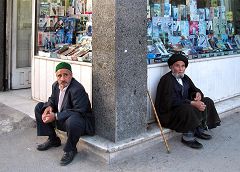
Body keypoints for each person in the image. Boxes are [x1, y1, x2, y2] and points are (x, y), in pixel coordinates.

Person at [155, 53, 221, 149]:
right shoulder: (167, 80)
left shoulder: (184, 78)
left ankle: (198, 129)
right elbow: (169, 102)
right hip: (169, 114)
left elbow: (194, 89)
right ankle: (187, 137)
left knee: (207, 101)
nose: (181, 69)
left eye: (183, 66)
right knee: (188, 108)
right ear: (171, 67)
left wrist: (197, 95)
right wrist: (191, 103)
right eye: (177, 66)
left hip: (183, 106)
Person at [35, 62, 94, 166]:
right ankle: (53, 139)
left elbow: (79, 111)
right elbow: (52, 99)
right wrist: (48, 107)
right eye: (59, 75)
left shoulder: (77, 89)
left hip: (81, 123)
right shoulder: (55, 85)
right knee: (40, 107)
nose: (62, 79)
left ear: (71, 75)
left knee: (73, 120)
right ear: (56, 76)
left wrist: (56, 116)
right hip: (63, 119)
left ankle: (70, 150)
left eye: (65, 75)